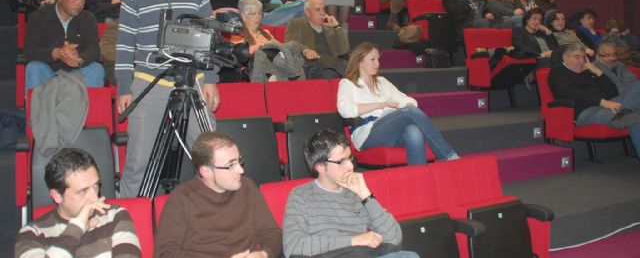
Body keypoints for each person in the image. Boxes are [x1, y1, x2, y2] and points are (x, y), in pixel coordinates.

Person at [115, 0, 220, 197]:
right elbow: (125, 43)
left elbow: (210, 35)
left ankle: (220, 222)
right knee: (138, 163)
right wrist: (124, 88)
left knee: (213, 158)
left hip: (193, 82)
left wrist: (210, 79)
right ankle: (127, 225)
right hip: (149, 83)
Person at [283, 128, 418, 258]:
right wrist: (353, 241)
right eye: (341, 161)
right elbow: (293, 246)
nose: (350, 166)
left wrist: (366, 195)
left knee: (409, 256)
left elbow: (394, 238)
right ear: (320, 166)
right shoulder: (301, 196)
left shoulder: (356, 193)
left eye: (350, 158)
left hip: (361, 254)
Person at [154, 131, 282, 257]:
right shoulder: (182, 199)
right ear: (207, 172)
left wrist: (263, 254)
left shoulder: (247, 187)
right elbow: (165, 252)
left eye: (239, 161)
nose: (241, 170)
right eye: (231, 165)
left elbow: (271, 232)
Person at [338, 42, 459, 164]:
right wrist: (381, 105)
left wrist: (404, 108)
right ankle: (448, 156)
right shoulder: (348, 83)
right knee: (409, 113)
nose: (377, 64)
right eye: (372, 59)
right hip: (366, 134)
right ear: (359, 61)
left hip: (390, 130)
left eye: (378, 59)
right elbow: (344, 110)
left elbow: (407, 100)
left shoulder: (382, 82)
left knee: (414, 132)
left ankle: (419, 179)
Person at [14, 148, 141, 257]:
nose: (94, 198)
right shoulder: (32, 234)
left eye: (96, 186)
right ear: (57, 196)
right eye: (83, 191)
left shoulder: (116, 216)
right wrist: (77, 228)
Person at [549, 43, 640, 154]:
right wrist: (602, 102)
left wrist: (599, 72)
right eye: (577, 57)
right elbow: (570, 93)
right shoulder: (557, 71)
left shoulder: (587, 71)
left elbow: (613, 93)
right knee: (635, 119)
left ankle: (622, 115)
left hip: (610, 105)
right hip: (587, 113)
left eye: (583, 57)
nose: (581, 61)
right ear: (565, 57)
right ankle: (623, 115)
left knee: (637, 85)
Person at [24, 0, 105, 91]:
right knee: (34, 67)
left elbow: (94, 49)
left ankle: (90, 109)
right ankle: (38, 108)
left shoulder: (88, 18)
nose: (80, 3)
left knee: (96, 68)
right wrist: (57, 53)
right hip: (49, 71)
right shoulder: (39, 17)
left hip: (77, 72)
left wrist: (79, 59)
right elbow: (30, 51)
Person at [285, 0, 350, 79]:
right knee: (331, 74)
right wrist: (305, 50)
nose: (322, 13)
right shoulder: (297, 24)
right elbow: (289, 44)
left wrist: (337, 27)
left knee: (356, 68)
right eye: (317, 10)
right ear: (307, 13)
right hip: (312, 65)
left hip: (333, 63)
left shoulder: (329, 27)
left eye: (323, 10)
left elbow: (344, 51)